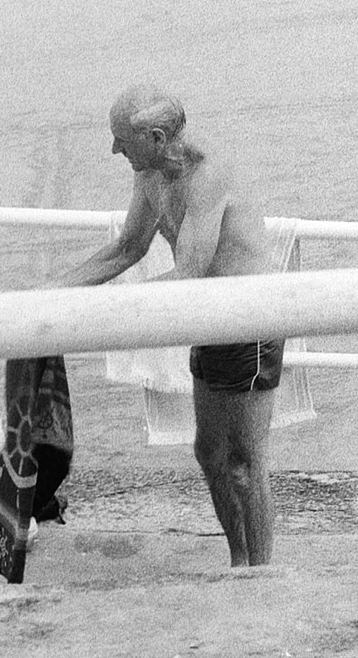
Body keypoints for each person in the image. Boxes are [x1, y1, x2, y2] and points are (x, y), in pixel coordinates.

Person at [57, 86, 286, 567]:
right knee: (210, 453)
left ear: (157, 138)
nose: (114, 150)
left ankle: (260, 574)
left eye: (122, 141)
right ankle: (239, 563)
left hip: (249, 320)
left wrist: (106, 311)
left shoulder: (207, 176)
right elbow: (127, 248)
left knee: (244, 463)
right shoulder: (150, 176)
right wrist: (54, 291)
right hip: (207, 320)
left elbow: (189, 274)